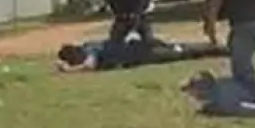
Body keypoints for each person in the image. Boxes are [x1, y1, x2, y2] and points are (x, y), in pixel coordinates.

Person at [56, 36, 228, 73]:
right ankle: (218, 48)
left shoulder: (89, 50)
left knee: (181, 52)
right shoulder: (89, 44)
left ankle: (220, 49)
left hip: (141, 53)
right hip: (139, 46)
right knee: (180, 48)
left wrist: (69, 71)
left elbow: (89, 65)